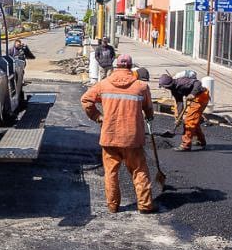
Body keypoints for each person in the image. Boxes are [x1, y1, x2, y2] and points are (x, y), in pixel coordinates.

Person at [80, 54, 155, 214]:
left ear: (116, 66)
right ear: (130, 67)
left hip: (110, 137)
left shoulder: (104, 84)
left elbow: (86, 100)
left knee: (111, 173)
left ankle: (113, 206)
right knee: (139, 170)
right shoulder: (141, 86)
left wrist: (97, 117)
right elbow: (148, 108)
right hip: (133, 139)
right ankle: (145, 205)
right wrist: (149, 117)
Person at [159, 70, 208, 151]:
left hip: (201, 97)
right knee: (193, 120)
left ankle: (186, 145)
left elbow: (198, 83)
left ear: (167, 85)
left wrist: (192, 93)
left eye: (164, 86)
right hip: (195, 99)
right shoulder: (174, 90)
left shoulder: (182, 82)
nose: (164, 88)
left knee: (189, 121)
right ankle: (200, 140)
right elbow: (179, 102)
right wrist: (179, 118)